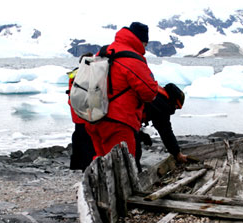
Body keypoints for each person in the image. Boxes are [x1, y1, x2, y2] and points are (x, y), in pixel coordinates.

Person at [84, 22, 159, 160]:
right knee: (122, 166)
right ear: (141, 41)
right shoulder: (132, 59)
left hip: (94, 117)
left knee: (102, 162)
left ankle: (99, 182)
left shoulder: (104, 51)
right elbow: (149, 92)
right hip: (118, 122)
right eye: (145, 45)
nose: (145, 49)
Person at [136, 83, 188, 169]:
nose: (175, 109)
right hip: (123, 119)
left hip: (124, 117)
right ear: (174, 101)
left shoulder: (157, 94)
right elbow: (166, 132)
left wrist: (140, 134)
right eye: (176, 106)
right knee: (135, 151)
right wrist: (177, 154)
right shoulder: (162, 104)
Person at [67, 53, 96, 171]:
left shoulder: (75, 74)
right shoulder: (90, 75)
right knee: (89, 142)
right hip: (88, 115)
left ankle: (78, 165)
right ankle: (88, 166)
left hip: (77, 114)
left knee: (79, 138)